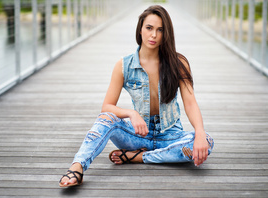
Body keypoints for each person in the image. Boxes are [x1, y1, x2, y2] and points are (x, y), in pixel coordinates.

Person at [59, 5, 214, 188]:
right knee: (106, 119)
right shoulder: (123, 66)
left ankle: (140, 157)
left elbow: (190, 104)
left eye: (160, 30)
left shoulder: (178, 63)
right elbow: (107, 107)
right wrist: (132, 114)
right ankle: (78, 166)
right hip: (138, 135)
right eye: (149, 28)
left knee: (207, 141)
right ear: (140, 29)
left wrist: (200, 133)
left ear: (167, 33)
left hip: (170, 135)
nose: (154, 35)